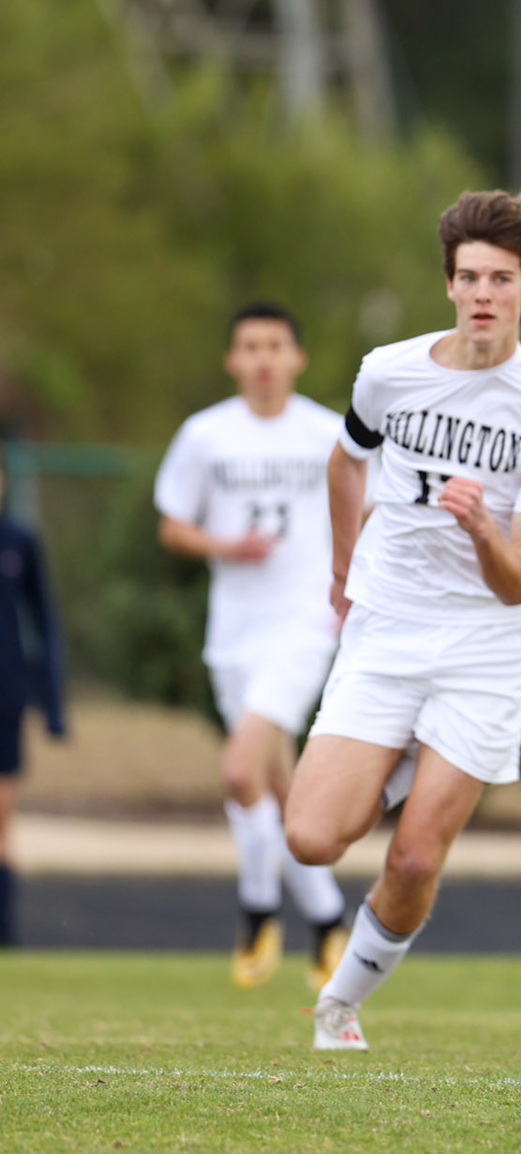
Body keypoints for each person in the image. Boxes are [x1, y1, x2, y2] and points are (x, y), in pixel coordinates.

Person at [283, 191, 521, 1051]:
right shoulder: (389, 372)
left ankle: (338, 1007)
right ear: (449, 284)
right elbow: (345, 463)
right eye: (468, 277)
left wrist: (481, 528)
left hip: (485, 647)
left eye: (501, 278)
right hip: (387, 628)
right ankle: (395, 759)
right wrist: (345, 571)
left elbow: (519, 578)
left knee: (415, 858)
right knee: (310, 838)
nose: (482, 293)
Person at [155, 304, 348, 988]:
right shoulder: (205, 436)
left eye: (276, 345)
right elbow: (173, 525)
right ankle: (328, 921)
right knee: (278, 790)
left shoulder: (330, 435)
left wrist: (348, 591)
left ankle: (257, 910)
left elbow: (370, 514)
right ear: (233, 359)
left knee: (241, 772)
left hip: (305, 626)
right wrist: (223, 545)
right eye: (250, 346)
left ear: (297, 357)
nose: (263, 358)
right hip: (234, 634)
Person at [0, 452, 65, 946]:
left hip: (6, 693)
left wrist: (53, 704)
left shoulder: (19, 541)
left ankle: (7, 935)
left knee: (3, 813)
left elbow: (43, 623)